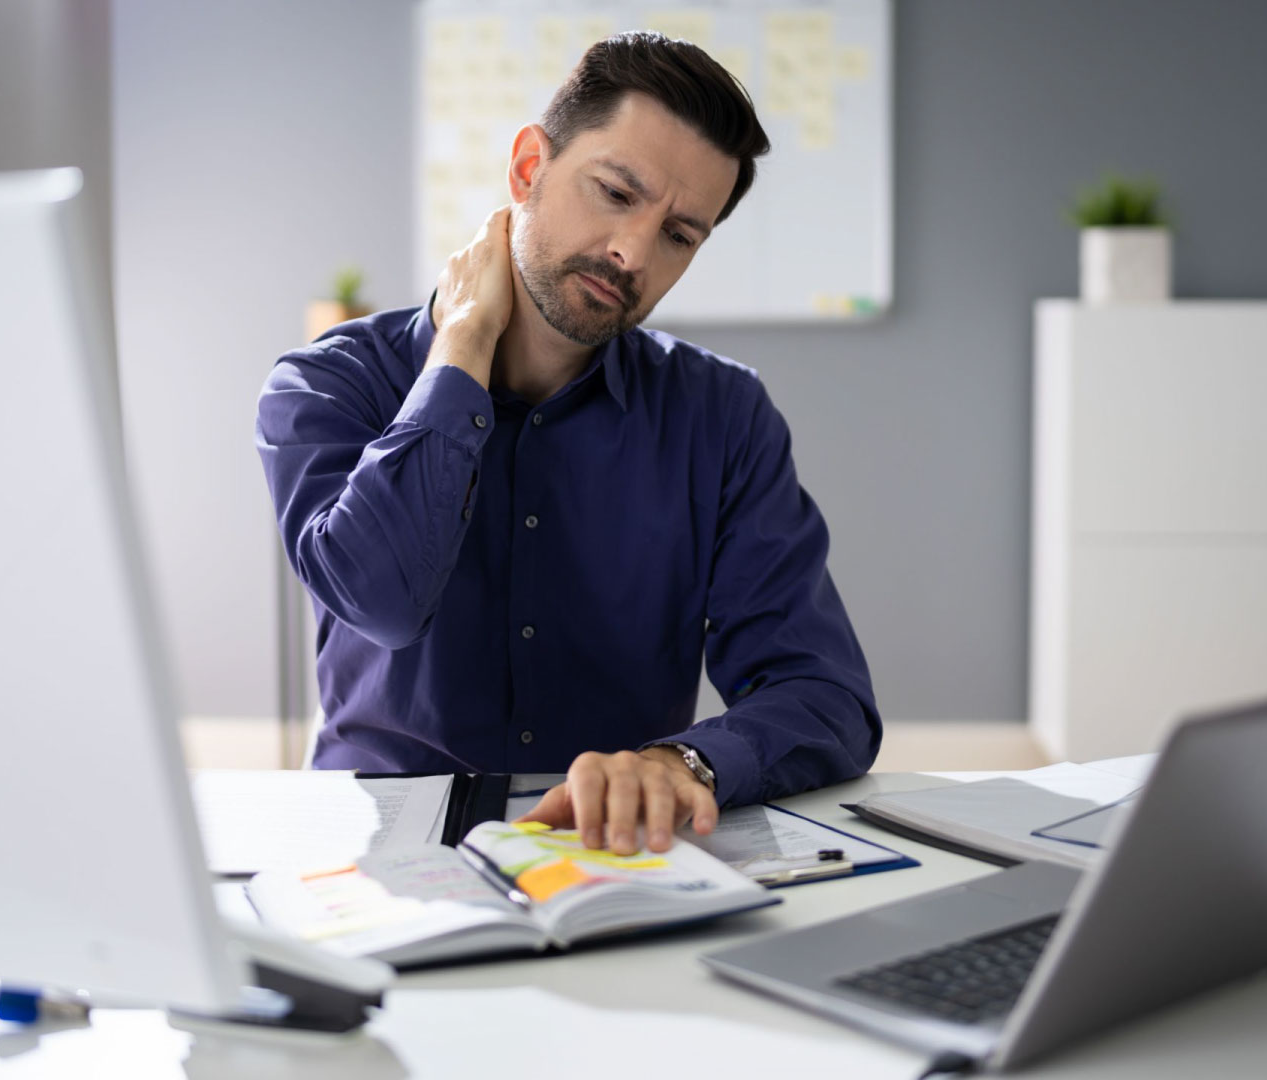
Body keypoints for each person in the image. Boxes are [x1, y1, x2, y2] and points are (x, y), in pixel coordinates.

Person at [256, 32, 877, 857]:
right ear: (526, 169)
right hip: (378, 851)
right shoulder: (327, 386)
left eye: (679, 236)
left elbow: (824, 693)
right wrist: (463, 350)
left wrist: (681, 761)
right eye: (616, 192)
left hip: (609, 853)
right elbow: (384, 602)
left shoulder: (722, 415)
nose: (633, 253)